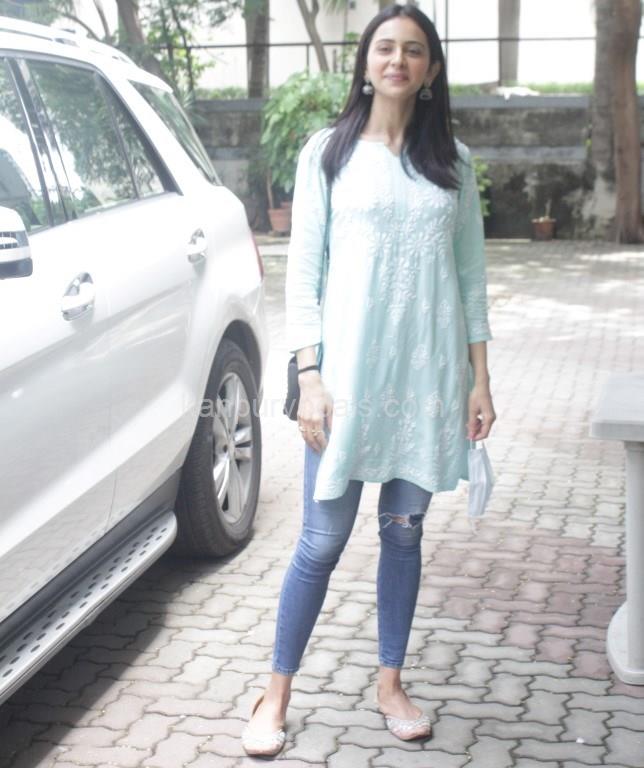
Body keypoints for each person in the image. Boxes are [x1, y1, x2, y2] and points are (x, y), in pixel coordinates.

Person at [241, 2, 496, 757]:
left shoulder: (454, 162)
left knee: (403, 535)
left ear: (431, 70)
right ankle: (275, 693)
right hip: (346, 381)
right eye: (385, 47)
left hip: (429, 379)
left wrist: (480, 381)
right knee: (321, 542)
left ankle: (390, 684)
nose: (397, 60)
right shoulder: (327, 153)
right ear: (365, 63)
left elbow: (472, 278)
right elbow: (303, 276)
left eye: (413, 50)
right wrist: (309, 376)